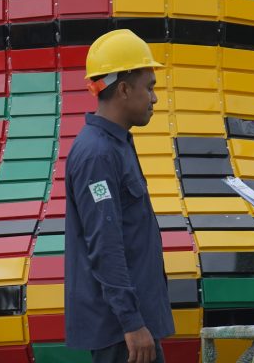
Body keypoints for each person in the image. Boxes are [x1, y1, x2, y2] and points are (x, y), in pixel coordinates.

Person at [65, 29, 174, 363]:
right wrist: (131, 322)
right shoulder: (97, 155)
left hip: (131, 326)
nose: (155, 98)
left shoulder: (115, 145)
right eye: (150, 87)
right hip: (123, 333)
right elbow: (106, 244)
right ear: (124, 89)